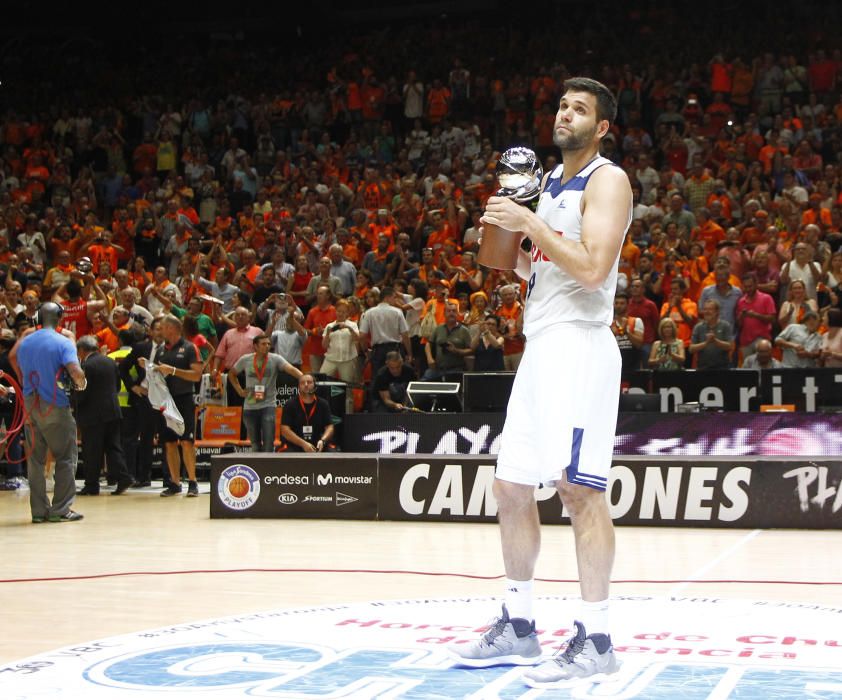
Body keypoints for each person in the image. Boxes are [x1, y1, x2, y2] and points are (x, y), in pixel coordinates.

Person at [449, 77, 630, 686]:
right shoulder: (548, 182)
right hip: (539, 345)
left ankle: (597, 638)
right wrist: (505, 218)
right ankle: (520, 626)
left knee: (580, 493)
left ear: (601, 127)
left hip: (580, 344)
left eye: (580, 109)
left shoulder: (607, 180)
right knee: (510, 488)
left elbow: (593, 266)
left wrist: (533, 221)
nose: (565, 114)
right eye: (561, 104)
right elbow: (510, 263)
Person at [12, 302, 87, 522]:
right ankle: (61, 509)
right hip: (54, 404)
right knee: (65, 457)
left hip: (30, 405)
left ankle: (38, 511)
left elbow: (14, 360)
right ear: (60, 318)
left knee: (35, 460)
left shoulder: (25, 342)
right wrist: (81, 382)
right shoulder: (63, 342)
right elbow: (74, 370)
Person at [144, 315, 204, 497]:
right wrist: (149, 367)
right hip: (165, 401)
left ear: (172, 328)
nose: (159, 331)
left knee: (186, 441)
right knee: (169, 443)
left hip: (184, 399)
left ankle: (192, 482)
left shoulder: (189, 348)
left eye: (162, 327)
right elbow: (160, 375)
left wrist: (174, 371)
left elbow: (197, 375)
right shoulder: (161, 349)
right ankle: (175, 483)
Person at [75, 335, 134, 496]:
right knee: (113, 446)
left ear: (81, 350)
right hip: (113, 411)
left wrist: (75, 403)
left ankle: (92, 485)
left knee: (92, 450)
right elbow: (117, 384)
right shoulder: (109, 361)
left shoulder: (87, 365)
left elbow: (83, 390)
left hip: (93, 415)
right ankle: (123, 477)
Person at [229, 334, 302, 452]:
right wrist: (239, 391)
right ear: (255, 346)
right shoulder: (245, 359)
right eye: (263, 344)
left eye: (269, 344)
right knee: (255, 445)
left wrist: (304, 378)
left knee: (268, 444)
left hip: (268, 405)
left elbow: (291, 369)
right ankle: (258, 470)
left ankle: (268, 470)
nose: (267, 346)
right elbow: (232, 374)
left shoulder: (275, 358)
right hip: (250, 407)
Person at [359, 286, 412, 378]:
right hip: (395, 349)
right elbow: (405, 335)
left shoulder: (369, 313)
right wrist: (409, 353)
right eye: (394, 297)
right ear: (387, 297)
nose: (395, 301)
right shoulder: (397, 312)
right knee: (397, 379)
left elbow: (362, 335)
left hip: (378, 351)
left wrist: (365, 351)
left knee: (378, 380)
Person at [279, 374, 335, 452]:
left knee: (333, 454)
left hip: (318, 445)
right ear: (298, 387)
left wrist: (323, 440)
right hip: (296, 445)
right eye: (302, 383)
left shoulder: (323, 404)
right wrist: (303, 444)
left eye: (309, 382)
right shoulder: (290, 404)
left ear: (315, 385)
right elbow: (285, 430)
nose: (306, 385)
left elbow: (330, 427)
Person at [689, 299, 735, 369]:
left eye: (710, 309)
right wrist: (706, 343)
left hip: (722, 368)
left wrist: (715, 341)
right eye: (705, 309)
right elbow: (691, 349)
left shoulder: (725, 326)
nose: (706, 312)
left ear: (717, 311)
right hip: (703, 368)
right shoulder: (698, 327)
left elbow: (730, 346)